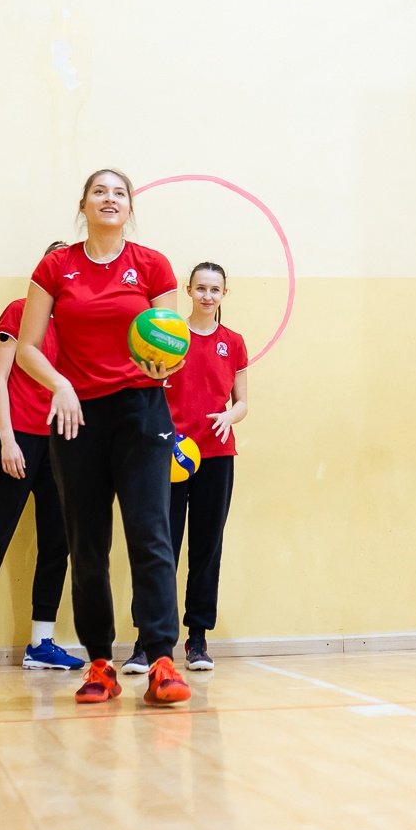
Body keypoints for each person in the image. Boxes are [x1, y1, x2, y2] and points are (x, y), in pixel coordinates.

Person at [14, 169, 189, 707]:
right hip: (76, 417)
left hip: (141, 412)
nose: (109, 199)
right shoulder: (55, 267)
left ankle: (160, 660)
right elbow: (27, 347)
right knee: (86, 544)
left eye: (119, 193)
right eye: (99, 191)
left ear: (129, 207)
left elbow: (171, 340)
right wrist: (60, 385)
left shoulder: (152, 265)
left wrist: (164, 366)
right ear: (83, 204)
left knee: (150, 535)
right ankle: (99, 663)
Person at [0, 241, 85, 677]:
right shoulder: (19, 311)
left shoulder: (80, 323)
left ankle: (41, 643)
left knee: (57, 543)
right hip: (17, 438)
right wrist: (7, 440)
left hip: (61, 443)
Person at [162, 261, 250, 673]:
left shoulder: (233, 342)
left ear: (224, 294)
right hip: (170, 458)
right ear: (188, 291)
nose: (207, 296)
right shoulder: (169, 336)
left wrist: (229, 416)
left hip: (216, 456)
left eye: (215, 289)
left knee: (207, 548)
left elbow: (242, 403)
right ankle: (151, 641)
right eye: (200, 288)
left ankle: (197, 639)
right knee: (162, 549)